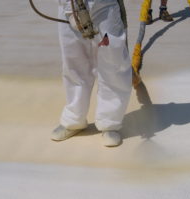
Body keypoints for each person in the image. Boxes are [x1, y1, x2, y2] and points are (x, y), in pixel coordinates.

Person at [51, 0, 132, 147]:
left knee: (112, 61)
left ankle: (110, 123)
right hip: (69, 5)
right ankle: (74, 119)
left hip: (104, 4)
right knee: (73, 61)